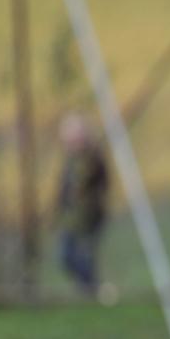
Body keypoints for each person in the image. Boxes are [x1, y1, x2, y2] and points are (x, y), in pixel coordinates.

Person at [56, 113, 110, 298]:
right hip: (71, 219)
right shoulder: (71, 162)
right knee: (66, 256)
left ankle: (91, 292)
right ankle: (88, 289)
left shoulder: (93, 159)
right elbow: (64, 190)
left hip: (89, 218)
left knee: (86, 256)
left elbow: (101, 186)